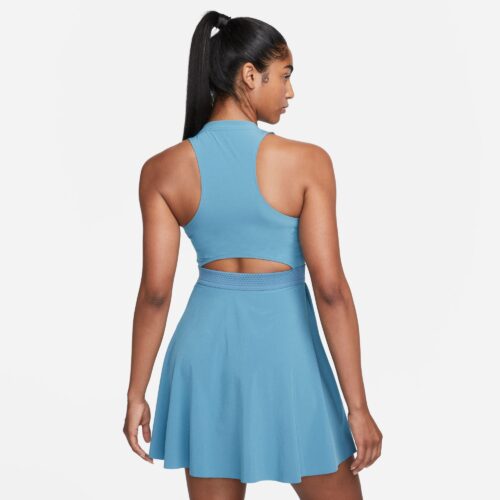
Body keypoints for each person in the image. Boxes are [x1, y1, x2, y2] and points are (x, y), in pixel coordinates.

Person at [123, 10, 382, 500]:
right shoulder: (307, 162)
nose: (290, 91)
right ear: (249, 75)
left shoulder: (161, 170)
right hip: (287, 355)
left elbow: (155, 294)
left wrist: (137, 392)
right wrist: (358, 407)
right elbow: (331, 291)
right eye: (284, 75)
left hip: (205, 359)